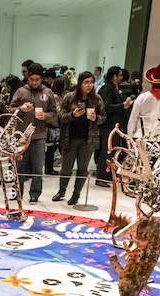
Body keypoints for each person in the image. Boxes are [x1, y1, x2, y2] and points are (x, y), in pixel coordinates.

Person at [53, 71, 106, 205]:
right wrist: (72, 115)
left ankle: (76, 194)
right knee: (66, 168)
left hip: (88, 140)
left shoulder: (97, 99)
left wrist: (96, 118)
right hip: (70, 138)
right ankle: (61, 191)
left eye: (92, 82)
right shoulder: (70, 97)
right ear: (80, 83)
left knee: (83, 168)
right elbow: (61, 117)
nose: (89, 85)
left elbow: (104, 118)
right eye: (86, 82)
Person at [10, 63, 57, 202]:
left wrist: (46, 116)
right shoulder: (20, 91)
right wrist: (20, 108)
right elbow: (10, 109)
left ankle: (35, 196)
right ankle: (17, 193)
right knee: (19, 167)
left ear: (41, 78)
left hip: (39, 136)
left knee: (37, 168)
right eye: (32, 79)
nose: (34, 82)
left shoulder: (48, 93)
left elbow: (54, 114)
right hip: (21, 136)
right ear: (28, 78)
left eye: (37, 79)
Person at [96, 66, 133, 186]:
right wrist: (122, 106)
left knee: (112, 151)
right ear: (115, 76)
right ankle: (102, 176)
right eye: (120, 75)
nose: (122, 78)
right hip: (108, 125)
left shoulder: (115, 88)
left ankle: (107, 175)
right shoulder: (107, 89)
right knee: (107, 150)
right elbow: (105, 107)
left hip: (115, 126)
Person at [127, 64, 160, 142]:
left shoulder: (142, 97)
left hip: (139, 137)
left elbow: (133, 119)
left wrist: (130, 137)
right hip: (158, 139)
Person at [45, 76, 66, 175]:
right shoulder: (56, 97)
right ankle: (48, 169)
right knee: (51, 148)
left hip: (56, 124)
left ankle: (49, 168)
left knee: (53, 148)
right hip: (54, 125)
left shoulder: (58, 96)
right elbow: (58, 111)